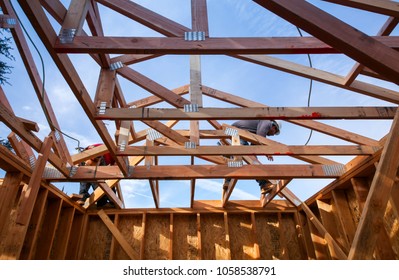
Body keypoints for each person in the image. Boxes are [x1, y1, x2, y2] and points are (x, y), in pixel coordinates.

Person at [220, 120, 282, 196]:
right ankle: (264, 183)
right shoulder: (267, 123)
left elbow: (254, 147)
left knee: (240, 159)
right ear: (274, 127)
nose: (272, 135)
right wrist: (266, 152)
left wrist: (255, 158)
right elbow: (261, 137)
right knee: (246, 155)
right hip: (234, 132)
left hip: (231, 132)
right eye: (274, 133)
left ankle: (228, 180)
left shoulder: (258, 128)